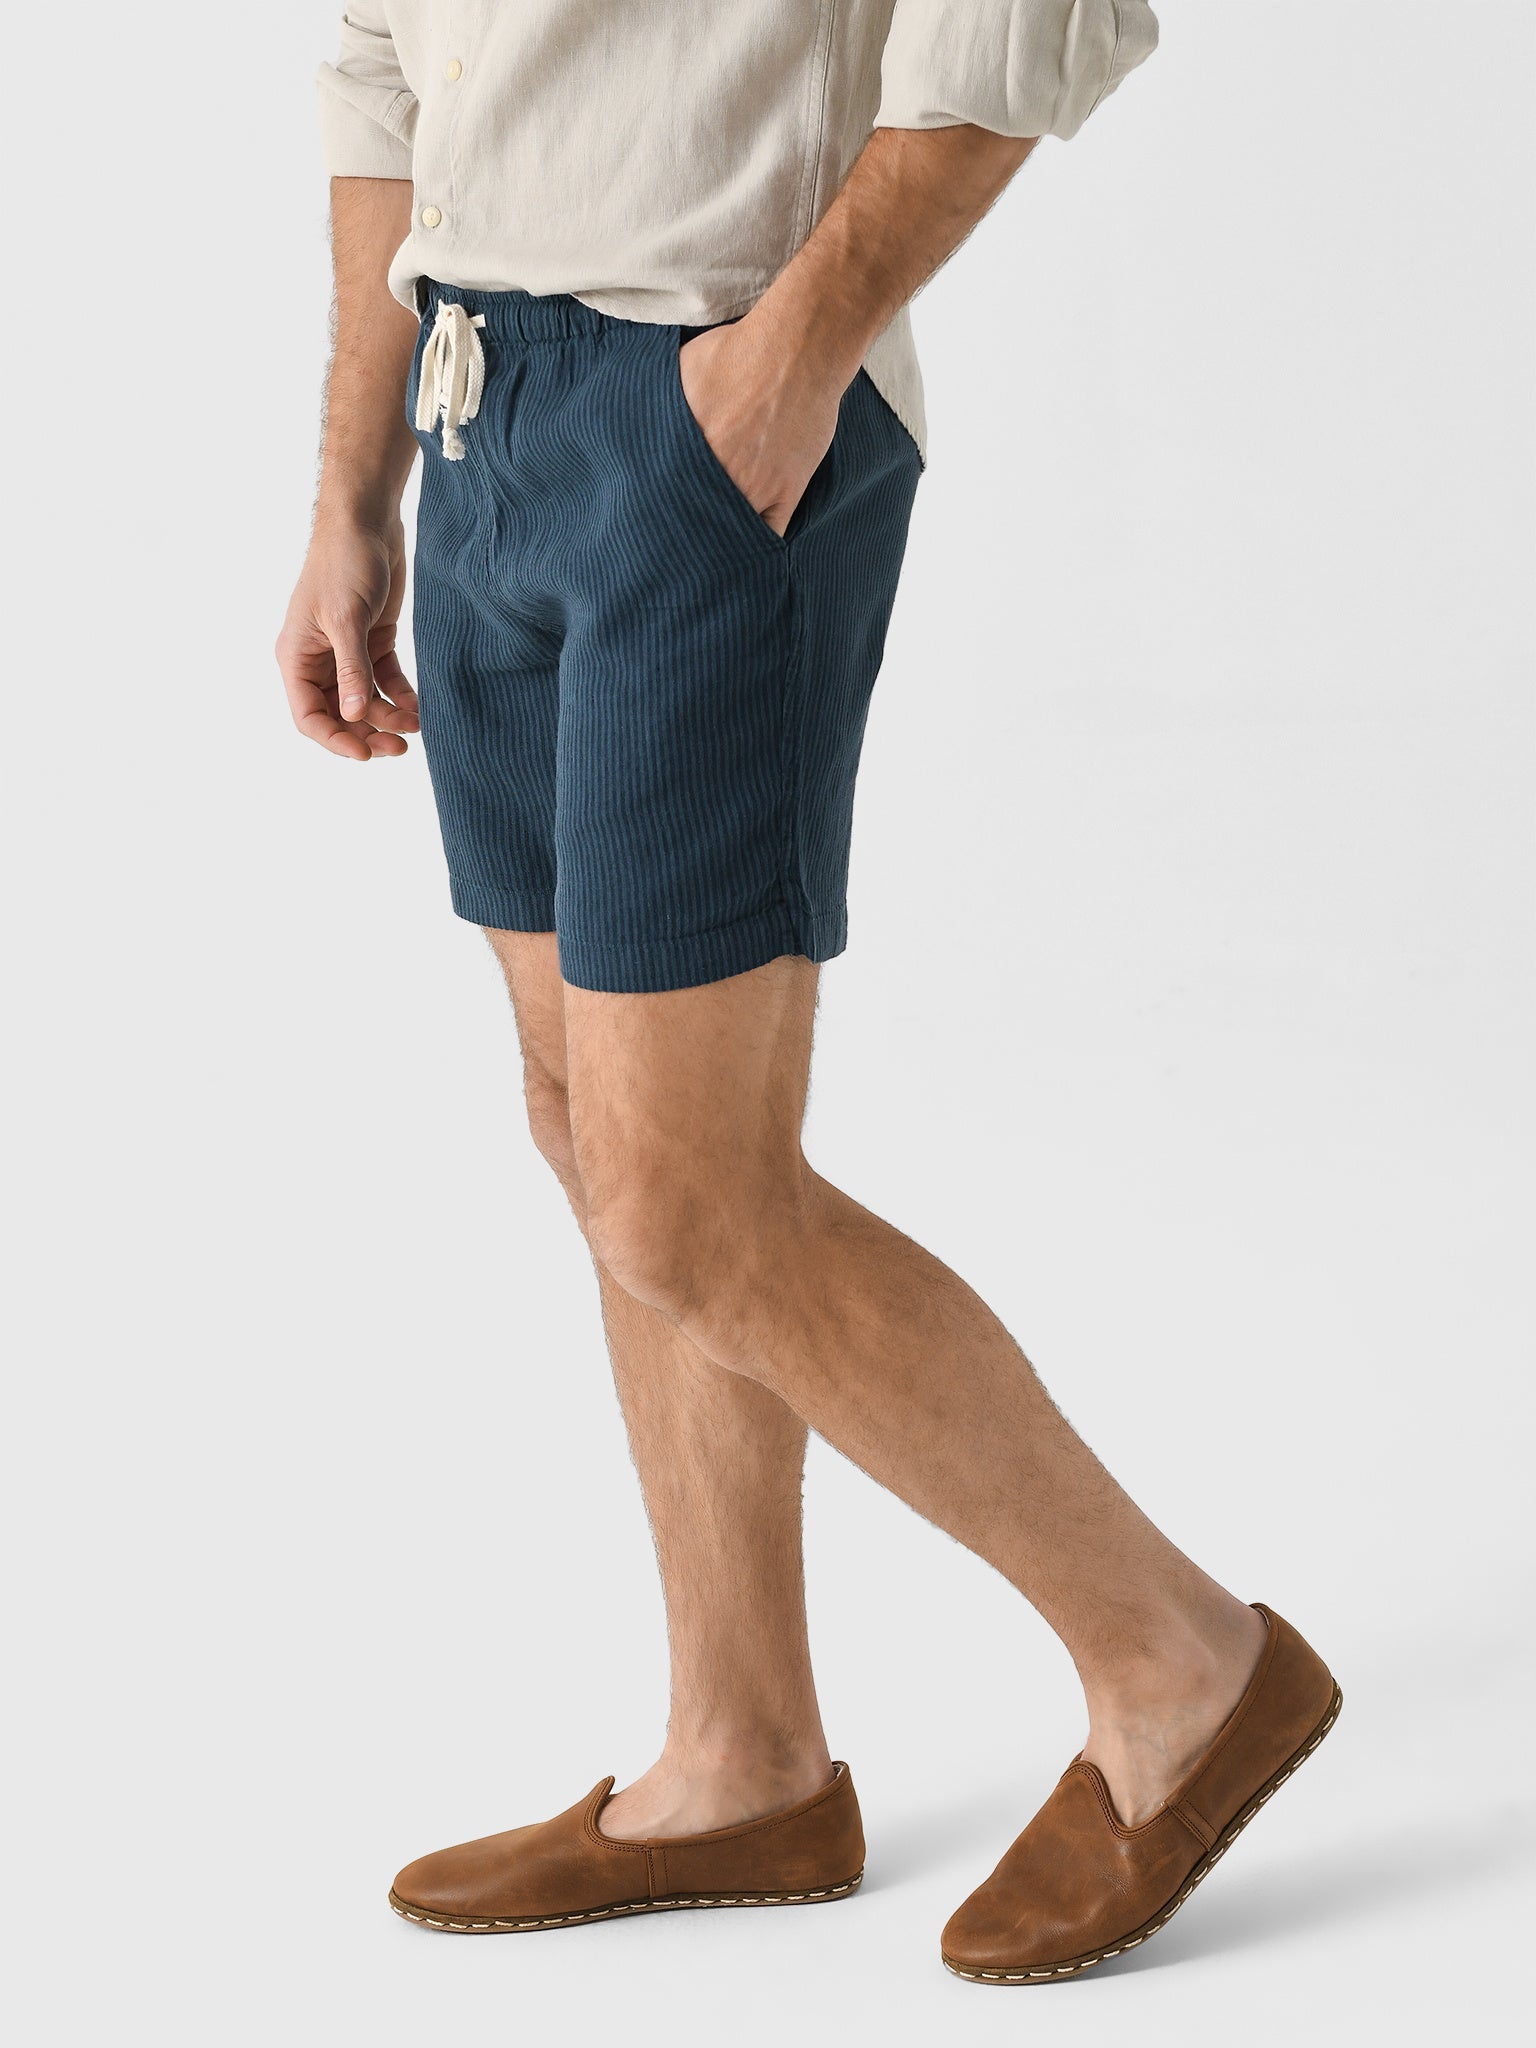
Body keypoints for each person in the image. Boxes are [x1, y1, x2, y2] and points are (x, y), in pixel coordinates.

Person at [277, 2, 1339, 1985]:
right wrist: (353, 486)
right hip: (474, 422)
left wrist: (788, 363)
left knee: (687, 1197)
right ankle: (740, 1761)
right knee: (591, 1130)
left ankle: (1183, 1663)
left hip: (709, 411)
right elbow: (375, 64)